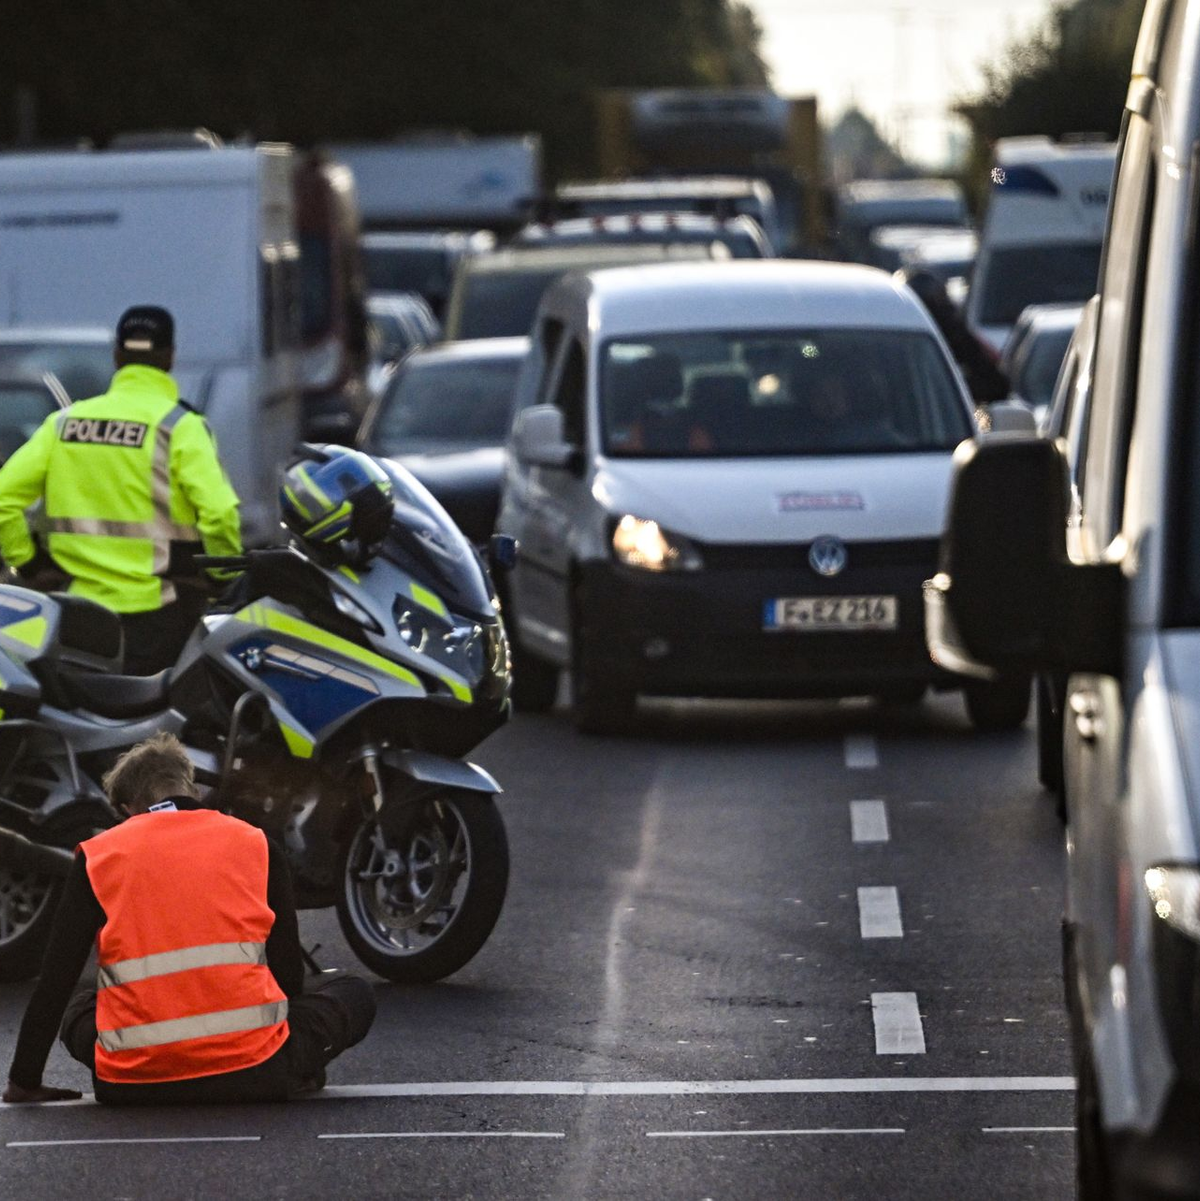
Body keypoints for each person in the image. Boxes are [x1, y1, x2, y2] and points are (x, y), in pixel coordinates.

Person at [2, 733, 376, 1106]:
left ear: (130, 806)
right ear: (190, 787)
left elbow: (56, 978)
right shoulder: (256, 843)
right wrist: (295, 1058)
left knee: (79, 1006)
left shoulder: (100, 856)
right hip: (257, 1070)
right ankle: (294, 1070)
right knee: (353, 990)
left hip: (132, 1082)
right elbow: (285, 972)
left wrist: (24, 1080)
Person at [0, 306, 242, 675]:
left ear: (117, 355)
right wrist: (223, 577)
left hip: (76, 616)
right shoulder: (180, 427)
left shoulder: (63, 424)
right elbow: (220, 513)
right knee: (161, 726)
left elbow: (3, 500)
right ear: (169, 356)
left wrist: (30, 563)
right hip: (162, 615)